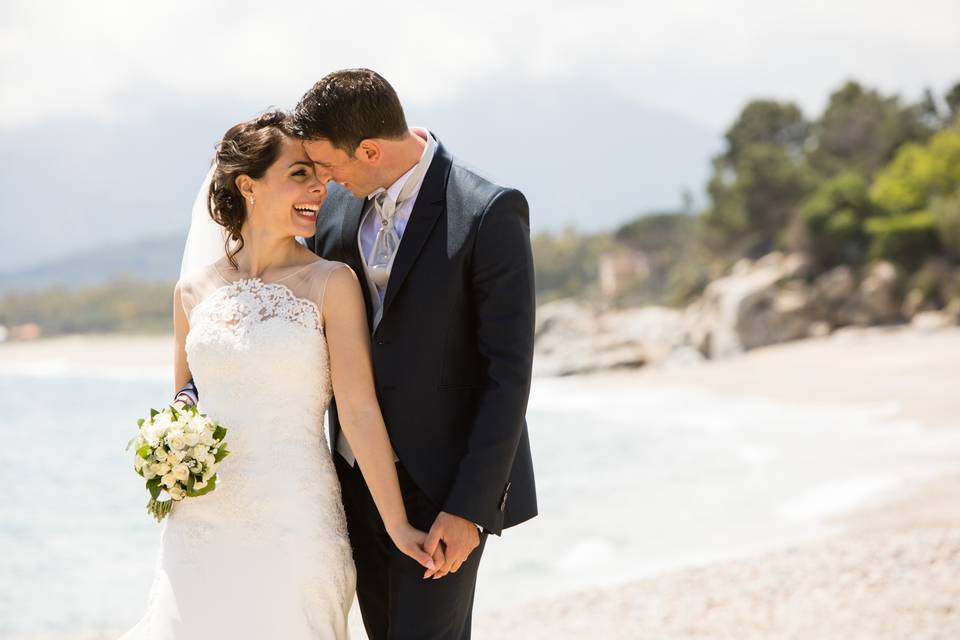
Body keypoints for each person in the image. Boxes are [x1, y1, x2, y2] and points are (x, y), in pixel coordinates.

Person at [121, 111, 434, 640]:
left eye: (319, 173)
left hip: (295, 518)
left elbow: (358, 410)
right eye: (300, 174)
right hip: (199, 526)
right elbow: (184, 398)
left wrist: (396, 522)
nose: (320, 186)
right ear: (248, 185)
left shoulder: (331, 282)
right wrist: (168, 450)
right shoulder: (192, 292)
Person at [292, 68, 538, 640]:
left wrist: (470, 507)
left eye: (328, 165)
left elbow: (509, 376)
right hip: (355, 481)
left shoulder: (487, 211)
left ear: (370, 149)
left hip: (445, 489)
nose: (322, 181)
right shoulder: (333, 212)